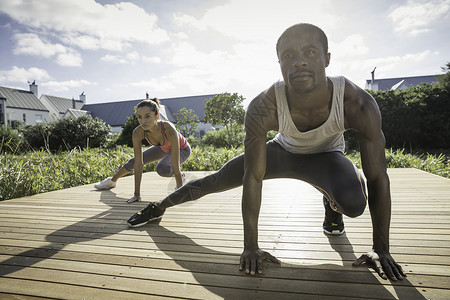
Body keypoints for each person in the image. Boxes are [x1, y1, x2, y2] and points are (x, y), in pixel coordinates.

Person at [127, 23, 406, 281]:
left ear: (327, 58)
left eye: (310, 52)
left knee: (354, 204)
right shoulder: (263, 106)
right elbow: (253, 177)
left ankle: (333, 207)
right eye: (288, 55)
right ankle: (158, 207)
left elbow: (378, 177)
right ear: (280, 63)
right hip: (282, 152)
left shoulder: (356, 103)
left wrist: (382, 249)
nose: (299, 61)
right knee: (216, 179)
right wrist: (251, 246)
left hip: (327, 157)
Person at [94, 98, 191, 203]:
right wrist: (136, 194)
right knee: (133, 161)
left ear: (157, 116)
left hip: (182, 149)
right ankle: (111, 181)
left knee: (162, 169)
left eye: (147, 116)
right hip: (163, 147)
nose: (143, 121)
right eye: (139, 117)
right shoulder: (138, 132)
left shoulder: (168, 129)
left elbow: (175, 165)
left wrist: (180, 193)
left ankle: (181, 177)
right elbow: (138, 164)